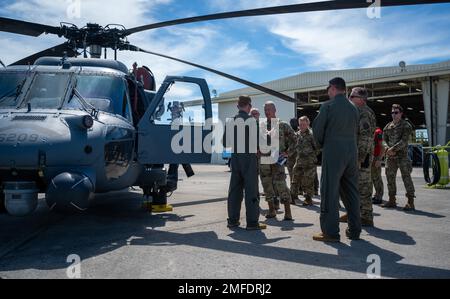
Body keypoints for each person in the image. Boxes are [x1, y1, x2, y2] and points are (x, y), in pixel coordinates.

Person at [312, 77, 361, 242]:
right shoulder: (354, 108)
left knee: (329, 192)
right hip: (351, 153)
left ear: (333, 88)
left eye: (328, 88)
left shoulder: (327, 106)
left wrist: (319, 146)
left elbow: (317, 132)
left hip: (334, 153)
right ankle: (355, 231)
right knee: (352, 192)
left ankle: (330, 232)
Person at [225, 95, 266, 230]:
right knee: (251, 190)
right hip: (249, 159)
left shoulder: (231, 121)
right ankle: (252, 222)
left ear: (238, 106)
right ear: (249, 106)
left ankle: (232, 220)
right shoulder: (251, 121)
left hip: (235, 159)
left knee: (235, 190)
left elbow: (225, 143)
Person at [340, 87, 377, 227]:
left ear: (361, 99)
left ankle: (366, 216)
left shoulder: (364, 113)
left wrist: (359, 158)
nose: (349, 98)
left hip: (362, 157)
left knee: (363, 186)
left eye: (352, 96)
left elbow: (366, 138)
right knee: (351, 187)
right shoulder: (355, 112)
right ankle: (353, 213)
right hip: (353, 155)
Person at [259, 101, 296, 221]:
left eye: (269, 109)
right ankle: (271, 210)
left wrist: (287, 152)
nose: (267, 111)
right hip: (264, 160)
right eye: (265, 109)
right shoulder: (262, 125)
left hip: (277, 160)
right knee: (266, 184)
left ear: (275, 110)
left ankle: (288, 212)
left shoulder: (283, 125)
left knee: (281, 185)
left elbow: (295, 140)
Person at [382, 104, 416, 211]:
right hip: (390, 157)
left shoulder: (406, 126)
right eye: (392, 112)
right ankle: (392, 200)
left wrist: (393, 149)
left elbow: (404, 141)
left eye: (396, 112)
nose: (394, 115)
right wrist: (387, 149)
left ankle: (410, 202)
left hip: (402, 157)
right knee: (389, 178)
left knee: (406, 178)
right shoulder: (388, 126)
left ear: (401, 113)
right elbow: (383, 140)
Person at [290, 116, 319, 207]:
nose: (302, 126)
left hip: (309, 162)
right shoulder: (297, 134)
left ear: (308, 124)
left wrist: (311, 155)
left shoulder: (312, 135)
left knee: (308, 181)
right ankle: (293, 197)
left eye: (304, 124)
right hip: (299, 161)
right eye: (300, 124)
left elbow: (317, 148)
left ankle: (308, 199)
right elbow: (293, 146)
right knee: (295, 179)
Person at [288, 118, 300, 204]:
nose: (293, 123)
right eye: (292, 122)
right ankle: (294, 194)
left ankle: (298, 192)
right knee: (291, 176)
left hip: (298, 157)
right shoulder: (288, 131)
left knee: (297, 176)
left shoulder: (301, 132)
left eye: (294, 122)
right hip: (290, 158)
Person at [372, 127, 385, 205]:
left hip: (376, 157)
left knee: (377, 178)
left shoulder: (378, 132)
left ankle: (379, 197)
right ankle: (376, 194)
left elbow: (383, 146)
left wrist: (380, 159)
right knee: (373, 178)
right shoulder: (369, 131)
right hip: (371, 157)